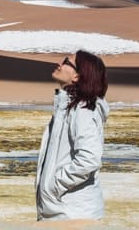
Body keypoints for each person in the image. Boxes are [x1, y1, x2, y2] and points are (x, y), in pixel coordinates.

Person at [35, 50, 110, 221]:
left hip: (73, 214)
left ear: (77, 76)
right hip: (63, 211)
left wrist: (54, 185)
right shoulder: (67, 108)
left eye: (67, 62)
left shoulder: (83, 111)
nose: (59, 64)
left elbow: (89, 159)